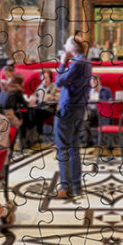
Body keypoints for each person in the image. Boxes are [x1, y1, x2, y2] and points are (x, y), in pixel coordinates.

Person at [54, 35, 92, 198]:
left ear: (73, 47)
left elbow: (58, 82)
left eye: (66, 44)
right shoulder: (86, 61)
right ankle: (76, 186)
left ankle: (65, 187)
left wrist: (63, 62)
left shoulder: (77, 63)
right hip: (79, 108)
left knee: (62, 148)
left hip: (68, 109)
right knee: (74, 148)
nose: (64, 46)